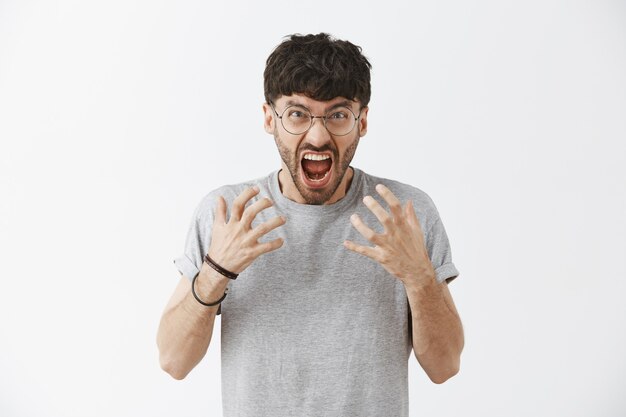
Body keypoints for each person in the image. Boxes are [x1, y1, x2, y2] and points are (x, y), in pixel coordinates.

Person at [157, 32, 464, 417]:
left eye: (338, 114)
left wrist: (419, 278)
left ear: (362, 121)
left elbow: (445, 367)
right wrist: (216, 271)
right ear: (270, 118)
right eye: (298, 114)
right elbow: (173, 361)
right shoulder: (226, 213)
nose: (318, 136)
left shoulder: (405, 212)